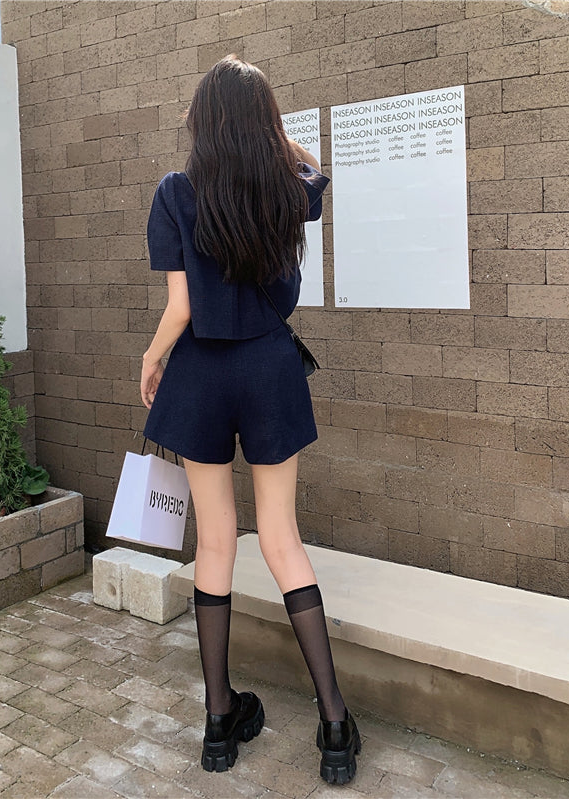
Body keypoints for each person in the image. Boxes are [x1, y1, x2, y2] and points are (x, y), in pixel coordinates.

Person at [139, 55, 360, 785]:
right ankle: (334, 723)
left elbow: (181, 307)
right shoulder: (282, 188)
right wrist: (270, 134)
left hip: (200, 374)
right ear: (263, 123)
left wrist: (152, 358)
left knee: (215, 541)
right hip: (269, 370)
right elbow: (315, 168)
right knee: (281, 537)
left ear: (202, 121)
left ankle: (218, 723)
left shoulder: (174, 193)